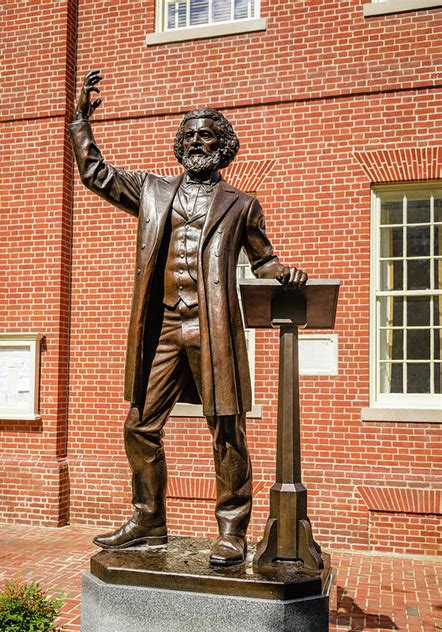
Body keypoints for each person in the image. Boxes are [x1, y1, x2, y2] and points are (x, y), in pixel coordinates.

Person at [69, 70, 307, 566]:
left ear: (224, 147)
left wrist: (286, 272)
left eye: (208, 135)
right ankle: (148, 520)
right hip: (163, 330)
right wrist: (79, 122)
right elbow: (97, 174)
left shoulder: (242, 205)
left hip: (212, 328)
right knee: (139, 424)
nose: (198, 142)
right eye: (191, 135)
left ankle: (231, 530)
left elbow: (263, 260)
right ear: (180, 145)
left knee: (226, 429)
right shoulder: (153, 192)